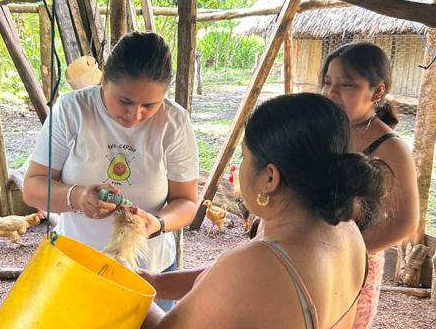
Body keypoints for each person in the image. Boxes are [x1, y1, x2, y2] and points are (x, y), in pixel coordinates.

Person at [141, 93, 387, 328]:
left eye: (244, 157)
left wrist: (129, 291)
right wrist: (156, 283)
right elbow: (236, 284)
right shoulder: (347, 231)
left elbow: (238, 280)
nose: (240, 166)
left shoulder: (253, 264)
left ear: (270, 178)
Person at [22, 32, 200, 309]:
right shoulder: (73, 110)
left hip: (148, 273)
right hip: (76, 265)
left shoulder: (173, 122)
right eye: (125, 101)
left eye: (149, 105)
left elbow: (187, 202)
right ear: (104, 80)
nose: (135, 115)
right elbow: (33, 187)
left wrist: (156, 224)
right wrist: (77, 197)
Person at [319, 42, 420, 328]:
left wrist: (349, 253)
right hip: (309, 251)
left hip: (352, 264)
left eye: (347, 85)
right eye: (328, 82)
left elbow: (404, 222)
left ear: (377, 92)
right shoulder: (326, 131)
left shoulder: (390, 148)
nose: (331, 93)